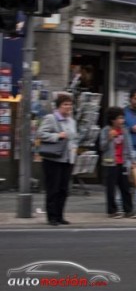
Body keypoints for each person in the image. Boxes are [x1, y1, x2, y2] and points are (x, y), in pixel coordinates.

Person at [37, 94, 78, 226]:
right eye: (65, 104)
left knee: (63, 189)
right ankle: (52, 217)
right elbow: (41, 134)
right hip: (53, 159)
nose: (68, 107)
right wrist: (57, 136)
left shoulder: (72, 121)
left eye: (70, 104)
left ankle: (60, 215)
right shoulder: (51, 118)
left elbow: (74, 138)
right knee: (53, 189)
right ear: (59, 106)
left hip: (67, 159)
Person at [100, 107, 136, 219]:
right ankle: (112, 211)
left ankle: (128, 210)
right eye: (120, 118)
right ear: (113, 120)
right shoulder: (106, 130)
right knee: (111, 188)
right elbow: (102, 147)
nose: (122, 120)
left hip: (122, 162)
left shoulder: (124, 130)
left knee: (125, 187)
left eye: (123, 118)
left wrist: (133, 161)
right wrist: (109, 138)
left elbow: (129, 146)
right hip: (110, 163)